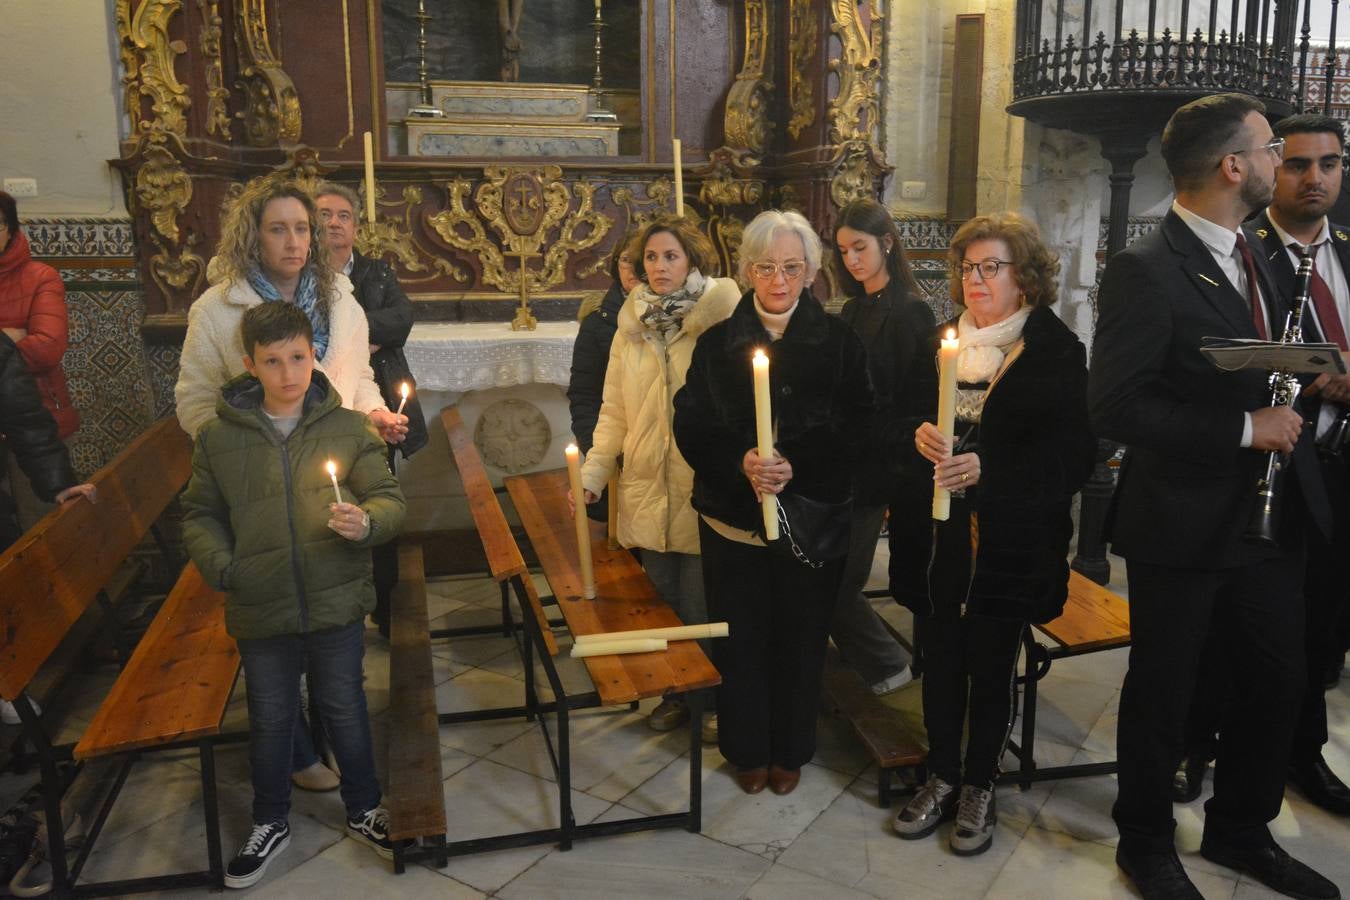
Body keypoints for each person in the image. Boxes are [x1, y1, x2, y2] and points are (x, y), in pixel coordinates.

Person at [1090, 93, 1339, 900]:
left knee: (1278, 678)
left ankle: (1239, 831)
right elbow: (1117, 406)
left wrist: (1304, 372)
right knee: (1167, 689)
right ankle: (1146, 843)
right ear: (1234, 165)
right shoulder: (1145, 268)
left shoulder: (1259, 253)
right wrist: (1243, 429)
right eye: (1270, 148)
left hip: (1271, 516)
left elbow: (1251, 353)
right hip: (1184, 521)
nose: (1279, 161)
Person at [175, 180, 408, 794]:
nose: (295, 241)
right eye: (279, 228)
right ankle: (299, 751)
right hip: (259, 486)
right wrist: (245, 448)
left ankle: (336, 740)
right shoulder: (217, 309)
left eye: (303, 228)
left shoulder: (343, 302)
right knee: (277, 634)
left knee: (328, 618)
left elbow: (354, 380)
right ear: (253, 233)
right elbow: (196, 398)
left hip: (326, 483)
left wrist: (374, 414)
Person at [887, 212, 1094, 855]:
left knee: (993, 661)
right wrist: (914, 435)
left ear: (1024, 278)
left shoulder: (1056, 350)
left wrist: (990, 467)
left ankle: (981, 781)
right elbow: (897, 419)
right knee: (941, 656)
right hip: (938, 538)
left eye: (990, 268)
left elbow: (1075, 455)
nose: (974, 280)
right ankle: (941, 773)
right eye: (967, 268)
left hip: (1011, 541)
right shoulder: (938, 341)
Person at [180, 302, 405, 890]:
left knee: (344, 706)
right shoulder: (219, 438)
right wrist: (225, 567)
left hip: (334, 594)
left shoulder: (348, 428)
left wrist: (367, 522)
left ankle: (363, 807)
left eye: (298, 357)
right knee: (272, 714)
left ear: (313, 356)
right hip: (260, 600)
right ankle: (269, 820)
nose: (288, 373)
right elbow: (200, 514)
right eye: (273, 361)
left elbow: (387, 497)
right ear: (251, 366)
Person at [673, 210, 873, 796]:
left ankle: (791, 747)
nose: (779, 280)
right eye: (766, 267)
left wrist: (798, 464)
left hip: (811, 519)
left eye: (792, 267)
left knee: (801, 636)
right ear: (746, 271)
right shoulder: (716, 345)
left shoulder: (840, 343)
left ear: (812, 271)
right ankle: (746, 747)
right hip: (733, 521)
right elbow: (691, 423)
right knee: (743, 637)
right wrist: (740, 461)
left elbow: (860, 425)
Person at [575, 217, 741, 740]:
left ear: (692, 259)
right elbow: (613, 410)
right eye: (651, 258)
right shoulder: (631, 325)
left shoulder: (722, 321)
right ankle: (678, 691)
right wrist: (595, 472)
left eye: (670, 256)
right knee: (663, 599)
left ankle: (714, 698)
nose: (659, 266)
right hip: (646, 482)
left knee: (703, 601)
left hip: (701, 484)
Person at [1244, 114, 1350, 817]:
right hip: (1274, 466)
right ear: (1272, 168)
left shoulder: (1349, 251)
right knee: (1254, 622)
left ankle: (1301, 752)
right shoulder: (1242, 252)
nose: (1315, 178)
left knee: (1325, 621)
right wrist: (1319, 371)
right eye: (1299, 164)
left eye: (1331, 164)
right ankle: (1218, 739)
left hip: (1342, 469)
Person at [831, 198, 934, 695]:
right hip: (845, 461)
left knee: (840, 582)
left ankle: (891, 669)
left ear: (887, 244)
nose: (852, 259)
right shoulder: (854, 307)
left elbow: (912, 400)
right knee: (828, 575)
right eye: (844, 250)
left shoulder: (911, 312)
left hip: (876, 466)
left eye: (860, 247)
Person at [314, 182, 427, 636]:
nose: (334, 223)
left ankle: (384, 604)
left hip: (374, 399)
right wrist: (357, 336)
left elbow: (403, 318)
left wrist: (355, 333)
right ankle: (343, 607)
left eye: (343, 215)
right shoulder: (305, 280)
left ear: (356, 227)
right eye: (324, 215)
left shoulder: (377, 271)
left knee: (380, 499)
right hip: (330, 406)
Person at [0, 191, 80, 531]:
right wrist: (12, 335)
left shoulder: (39, 276)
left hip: (39, 418)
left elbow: (48, 347)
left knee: (43, 526)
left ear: (11, 228)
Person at [568, 231, 639, 522]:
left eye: (641, 259)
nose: (633, 269)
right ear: (615, 266)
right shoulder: (598, 325)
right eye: (626, 260)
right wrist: (600, 455)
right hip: (616, 461)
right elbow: (584, 398)